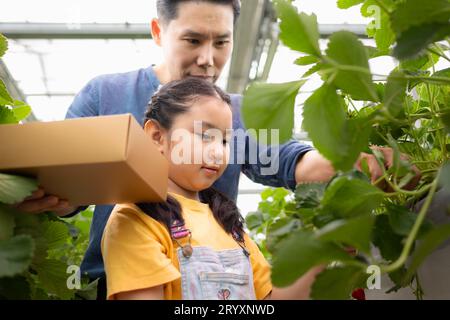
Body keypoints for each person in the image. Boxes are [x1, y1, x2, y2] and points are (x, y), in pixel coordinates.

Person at [14, 0, 418, 298]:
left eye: (221, 42)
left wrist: (355, 161)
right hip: (120, 281)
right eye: (192, 39)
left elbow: (292, 160)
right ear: (158, 31)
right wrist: (51, 195)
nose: (208, 59)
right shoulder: (106, 94)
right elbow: (66, 180)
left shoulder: (235, 113)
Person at [102, 76, 323, 300]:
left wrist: (326, 246)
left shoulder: (228, 224)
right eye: (206, 136)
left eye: (225, 141)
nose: (218, 152)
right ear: (157, 136)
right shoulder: (134, 220)